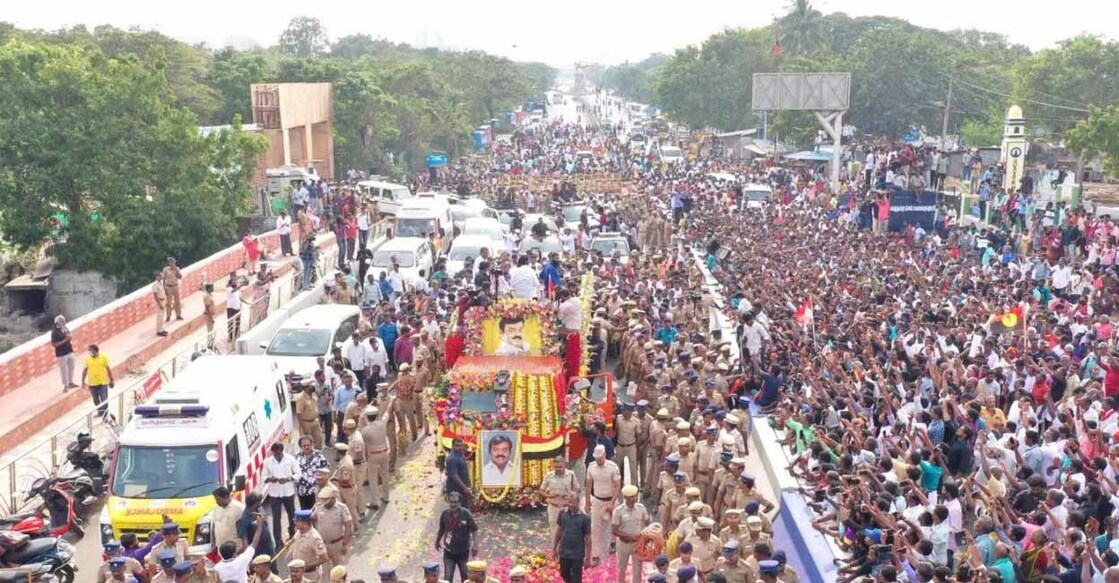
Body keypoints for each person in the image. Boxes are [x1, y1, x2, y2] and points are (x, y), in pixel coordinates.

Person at [584, 444, 621, 567]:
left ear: (605, 455)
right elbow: (588, 485)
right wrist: (587, 501)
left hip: (611, 499)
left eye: (600, 458)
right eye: (596, 459)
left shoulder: (612, 467)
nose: (598, 461)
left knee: (614, 523)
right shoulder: (591, 467)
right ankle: (595, 555)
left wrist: (612, 503)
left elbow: (617, 486)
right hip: (597, 500)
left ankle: (613, 543)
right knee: (595, 527)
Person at [436, 491, 478, 583]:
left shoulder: (466, 514)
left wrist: (475, 545)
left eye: (455, 502)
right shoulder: (445, 514)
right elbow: (441, 529)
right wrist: (437, 541)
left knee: (465, 577)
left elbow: (474, 529)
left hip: (463, 552)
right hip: (449, 552)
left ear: (460, 503)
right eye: (451, 502)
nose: (453, 505)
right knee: (447, 578)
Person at [261, 442, 299, 545]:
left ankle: (293, 534)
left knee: (292, 515)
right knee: (276, 518)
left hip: (288, 492)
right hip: (274, 494)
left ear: (282, 451)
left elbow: (298, 474)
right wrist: (270, 479)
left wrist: (288, 479)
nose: (276, 455)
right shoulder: (268, 462)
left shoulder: (290, 459)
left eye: (278, 453)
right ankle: (278, 542)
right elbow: (263, 477)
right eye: (274, 453)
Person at [612, 484, 651, 583]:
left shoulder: (641, 508)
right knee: (622, 569)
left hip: (637, 544)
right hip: (623, 544)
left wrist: (646, 535)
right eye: (631, 497)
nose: (633, 499)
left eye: (634, 496)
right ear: (625, 498)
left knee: (637, 570)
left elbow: (647, 523)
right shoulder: (618, 511)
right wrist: (629, 537)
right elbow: (614, 530)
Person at [313, 487, 353, 572]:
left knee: (339, 570)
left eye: (327, 501)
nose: (325, 504)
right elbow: (312, 519)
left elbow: (348, 527)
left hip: (337, 544)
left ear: (333, 499)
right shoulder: (319, 507)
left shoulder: (342, 508)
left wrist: (345, 545)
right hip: (322, 544)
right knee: (324, 571)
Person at [288, 510, 329, 581]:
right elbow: (294, 539)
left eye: (297, 521)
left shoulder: (315, 538)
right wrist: (289, 542)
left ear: (305, 523)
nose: (295, 523)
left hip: (310, 575)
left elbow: (324, 558)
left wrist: (307, 566)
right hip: (298, 574)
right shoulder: (299, 531)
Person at [541, 456, 580, 529]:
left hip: (567, 508)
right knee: (554, 531)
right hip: (553, 508)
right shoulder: (549, 476)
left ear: (565, 465)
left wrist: (571, 495)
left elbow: (577, 489)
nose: (558, 469)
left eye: (560, 467)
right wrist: (549, 496)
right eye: (556, 467)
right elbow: (541, 491)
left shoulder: (571, 475)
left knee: (568, 530)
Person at [236, 493, 275, 566]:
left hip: (269, 551)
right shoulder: (243, 521)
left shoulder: (260, 510)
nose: (261, 503)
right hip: (258, 557)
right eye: (259, 502)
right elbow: (245, 544)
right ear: (256, 503)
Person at [294, 435, 329, 510]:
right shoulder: (296, 457)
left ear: (312, 444)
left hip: (316, 491)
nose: (306, 447)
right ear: (300, 446)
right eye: (304, 446)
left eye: (308, 445)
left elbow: (326, 471)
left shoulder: (319, 456)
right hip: (302, 491)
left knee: (317, 512)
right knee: (305, 514)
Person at [81, 343, 114, 420]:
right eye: (88, 350)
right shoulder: (87, 359)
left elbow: (108, 369)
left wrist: (111, 380)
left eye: (90, 350)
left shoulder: (103, 358)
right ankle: (100, 413)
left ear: (95, 351)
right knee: (96, 400)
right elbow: (85, 370)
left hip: (103, 383)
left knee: (104, 400)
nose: (89, 352)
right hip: (92, 384)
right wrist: (82, 381)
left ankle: (105, 415)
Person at [212, 486, 245, 554]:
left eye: (219, 499)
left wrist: (243, 548)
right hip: (220, 549)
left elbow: (245, 529)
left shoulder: (239, 508)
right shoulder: (217, 509)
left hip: (236, 550)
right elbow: (214, 526)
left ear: (226, 497)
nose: (217, 502)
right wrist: (213, 543)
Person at [51, 314, 78, 392]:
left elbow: (68, 337)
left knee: (71, 367)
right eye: (62, 321)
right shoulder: (55, 332)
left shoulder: (65, 328)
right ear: (58, 322)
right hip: (62, 354)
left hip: (69, 351)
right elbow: (54, 344)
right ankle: (65, 385)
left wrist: (69, 338)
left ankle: (70, 382)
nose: (64, 322)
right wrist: (65, 340)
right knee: (64, 370)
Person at [445, 438, 472, 504]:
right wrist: (465, 488)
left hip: (462, 489)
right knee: (457, 510)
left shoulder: (460, 453)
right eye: (457, 446)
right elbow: (454, 476)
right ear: (453, 446)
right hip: (455, 490)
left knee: (464, 508)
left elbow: (465, 449)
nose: (460, 447)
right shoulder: (452, 459)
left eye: (461, 445)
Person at [163, 256, 184, 321]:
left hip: (175, 286)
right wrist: (164, 288)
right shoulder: (166, 269)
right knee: (168, 302)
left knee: (177, 301)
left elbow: (180, 277)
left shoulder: (177, 269)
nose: (171, 264)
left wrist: (176, 270)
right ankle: (168, 316)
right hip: (168, 287)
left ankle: (178, 315)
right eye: (170, 262)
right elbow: (163, 279)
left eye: (173, 262)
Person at [150, 272, 169, 337]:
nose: (161, 277)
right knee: (159, 317)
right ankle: (159, 331)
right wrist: (159, 304)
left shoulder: (161, 283)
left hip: (163, 300)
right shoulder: (155, 285)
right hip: (159, 302)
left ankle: (161, 329)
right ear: (156, 277)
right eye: (159, 276)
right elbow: (155, 296)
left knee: (162, 316)